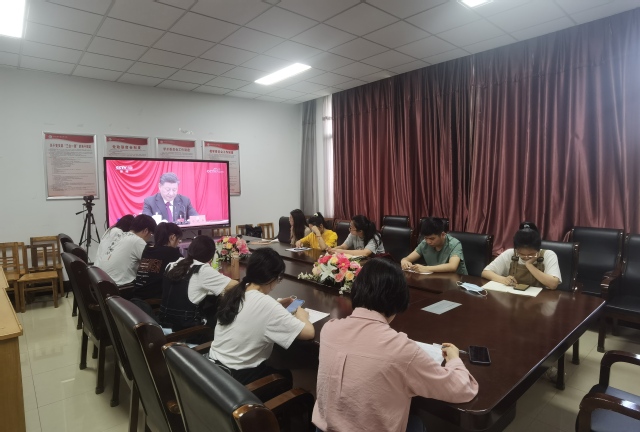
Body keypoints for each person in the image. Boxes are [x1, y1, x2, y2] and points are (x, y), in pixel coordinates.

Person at [312, 258, 478, 432]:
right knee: (417, 424)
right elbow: (462, 389)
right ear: (398, 301)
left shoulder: (329, 329)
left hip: (323, 429)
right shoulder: (400, 349)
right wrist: (454, 360)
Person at [208, 248, 315, 385]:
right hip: (236, 379)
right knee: (284, 377)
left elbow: (252, 312)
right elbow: (309, 333)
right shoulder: (267, 305)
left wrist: (276, 305)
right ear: (271, 279)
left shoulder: (236, 292)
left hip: (214, 369)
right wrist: (302, 315)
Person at [158, 235, 238, 331]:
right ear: (211, 255)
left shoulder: (171, 265)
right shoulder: (201, 270)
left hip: (164, 324)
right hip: (188, 330)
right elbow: (235, 286)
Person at [482, 221, 561, 289]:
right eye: (521, 254)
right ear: (516, 249)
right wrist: (503, 279)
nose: (526, 257)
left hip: (539, 299)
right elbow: (485, 272)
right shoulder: (510, 253)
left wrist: (529, 265)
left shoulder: (548, 255)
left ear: (538, 249)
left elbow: (553, 284)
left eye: (531, 254)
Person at [95, 214, 157, 286]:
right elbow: (153, 266)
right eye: (151, 234)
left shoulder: (119, 236)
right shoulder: (137, 241)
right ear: (146, 231)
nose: (150, 238)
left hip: (102, 285)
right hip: (120, 287)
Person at [131, 222, 183, 300]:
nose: (179, 242)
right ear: (172, 237)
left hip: (137, 297)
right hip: (154, 300)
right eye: (178, 239)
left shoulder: (147, 249)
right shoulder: (172, 253)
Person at [400, 217, 468, 275]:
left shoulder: (455, 244)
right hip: (436, 279)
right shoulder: (424, 243)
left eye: (432, 239)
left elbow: (452, 266)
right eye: (426, 238)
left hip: (458, 280)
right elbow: (408, 258)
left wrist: (426, 268)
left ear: (443, 235)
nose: (428, 242)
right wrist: (404, 261)